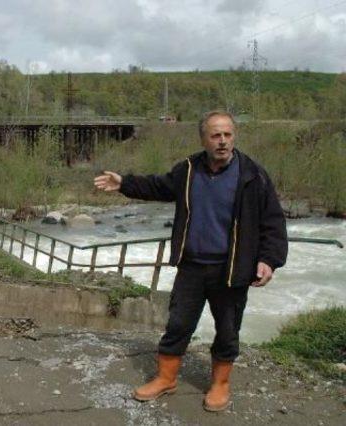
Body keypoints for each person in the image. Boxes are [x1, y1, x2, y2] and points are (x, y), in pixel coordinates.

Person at [93, 110, 288, 412]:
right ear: (203, 139)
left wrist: (269, 260)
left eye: (228, 134)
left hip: (232, 269)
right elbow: (159, 186)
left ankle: (220, 385)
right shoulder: (187, 169)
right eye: (216, 135)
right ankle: (166, 378)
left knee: (227, 330)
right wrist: (124, 183)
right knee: (178, 324)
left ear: (233, 136)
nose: (223, 141)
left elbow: (273, 222)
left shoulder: (252, 174)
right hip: (192, 266)